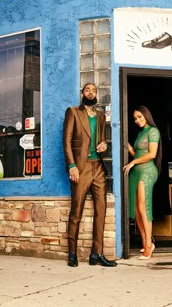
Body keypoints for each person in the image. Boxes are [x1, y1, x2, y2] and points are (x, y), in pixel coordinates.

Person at [63, 83, 117, 268]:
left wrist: (104, 145)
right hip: (81, 167)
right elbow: (67, 141)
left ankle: (97, 254)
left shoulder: (101, 116)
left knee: (101, 211)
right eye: (88, 90)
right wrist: (72, 166)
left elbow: (101, 140)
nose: (91, 92)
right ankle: (72, 253)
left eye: (94, 90)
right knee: (76, 212)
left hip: (98, 167)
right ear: (82, 94)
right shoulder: (73, 112)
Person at [123, 105, 161, 259]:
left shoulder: (153, 131)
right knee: (137, 210)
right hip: (136, 173)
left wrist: (132, 163)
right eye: (135, 118)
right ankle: (146, 242)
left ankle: (148, 246)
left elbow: (151, 154)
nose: (137, 120)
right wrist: (127, 145)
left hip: (147, 171)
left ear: (146, 115)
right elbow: (136, 153)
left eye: (139, 117)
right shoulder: (140, 133)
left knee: (143, 207)